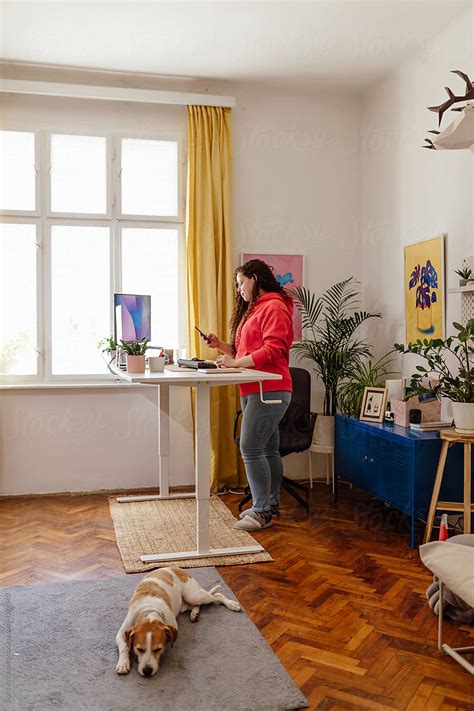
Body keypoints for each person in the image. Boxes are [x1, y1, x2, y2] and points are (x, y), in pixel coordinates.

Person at [200, 259, 294, 531]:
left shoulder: (274, 306)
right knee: (266, 448)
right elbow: (246, 354)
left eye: (242, 283)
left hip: (271, 389)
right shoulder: (255, 309)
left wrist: (235, 364)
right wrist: (223, 347)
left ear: (255, 278)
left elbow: (273, 350)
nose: (239, 289)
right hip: (255, 387)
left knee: (250, 447)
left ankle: (262, 511)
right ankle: (271, 503)